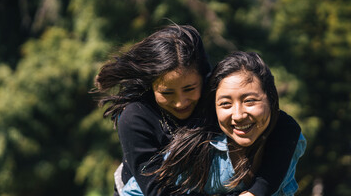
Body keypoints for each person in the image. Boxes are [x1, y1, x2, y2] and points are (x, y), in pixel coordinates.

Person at [93, 25, 301, 196]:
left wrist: (256, 192)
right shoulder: (136, 116)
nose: (181, 102)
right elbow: (155, 191)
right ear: (151, 87)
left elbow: (286, 126)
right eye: (167, 93)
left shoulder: (215, 96)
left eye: (189, 89)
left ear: (205, 77)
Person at [155, 51, 306, 195]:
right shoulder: (193, 152)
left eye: (250, 101)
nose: (238, 115)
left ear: (271, 100)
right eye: (226, 104)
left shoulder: (290, 140)